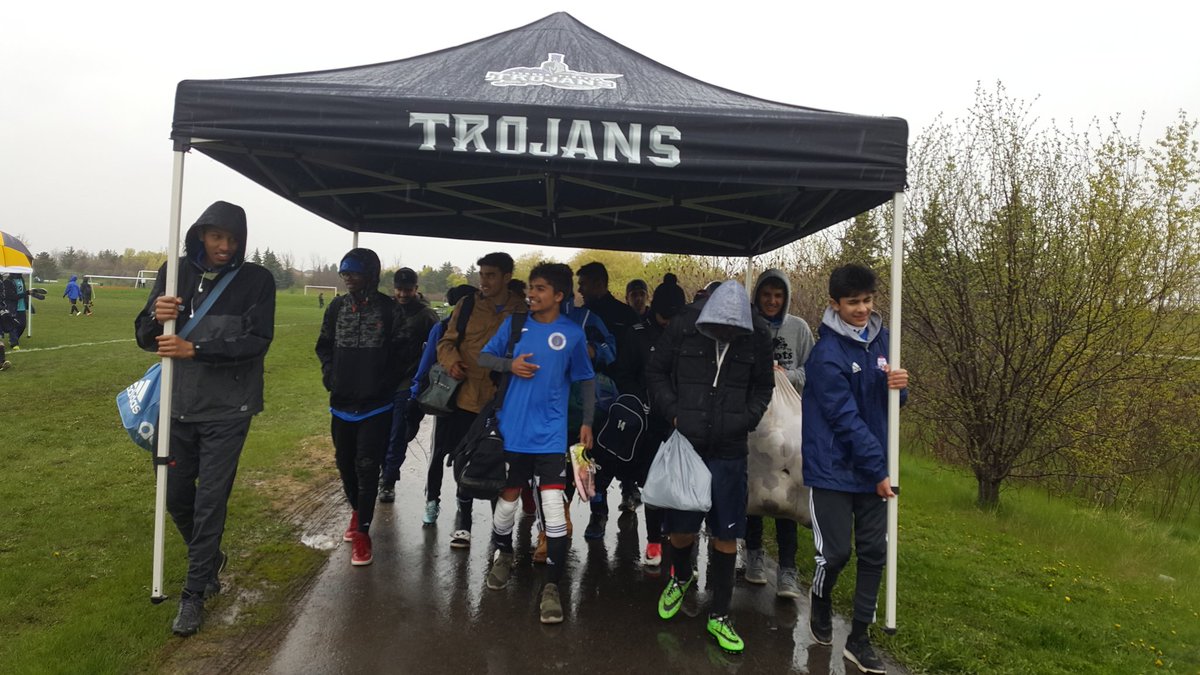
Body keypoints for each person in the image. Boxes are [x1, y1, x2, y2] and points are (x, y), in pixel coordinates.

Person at [134, 200, 276, 637]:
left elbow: (257, 340)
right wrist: (157, 318)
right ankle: (211, 558)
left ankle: (194, 592)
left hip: (229, 411)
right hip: (177, 407)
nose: (224, 246)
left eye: (232, 239)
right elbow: (145, 337)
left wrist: (196, 349)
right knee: (176, 496)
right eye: (217, 236)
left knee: (210, 502)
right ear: (200, 234)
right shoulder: (173, 272)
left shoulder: (257, 280)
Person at [647, 279, 774, 654]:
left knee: (726, 532)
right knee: (681, 528)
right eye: (720, 326)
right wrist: (674, 413)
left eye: (735, 328)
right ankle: (681, 576)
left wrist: (746, 419)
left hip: (730, 449)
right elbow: (655, 371)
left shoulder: (757, 334)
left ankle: (719, 614)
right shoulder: (684, 325)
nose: (727, 333)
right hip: (688, 444)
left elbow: (764, 386)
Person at [802, 263, 907, 674]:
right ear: (835, 304)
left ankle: (859, 638)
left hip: (874, 467)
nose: (862, 309)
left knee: (874, 551)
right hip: (833, 467)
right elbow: (845, 419)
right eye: (852, 303)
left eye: (867, 300)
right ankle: (820, 599)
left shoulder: (885, 340)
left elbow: (889, 406)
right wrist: (879, 470)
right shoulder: (825, 355)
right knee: (835, 554)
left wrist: (898, 387)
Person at [478, 262, 595, 624]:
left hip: (550, 437)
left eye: (540, 288)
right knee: (508, 502)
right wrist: (509, 365)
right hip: (512, 433)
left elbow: (586, 379)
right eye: (530, 287)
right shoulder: (515, 325)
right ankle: (504, 555)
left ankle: (552, 587)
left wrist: (588, 422)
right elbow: (483, 357)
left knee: (554, 509)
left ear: (559, 295)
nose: (531, 293)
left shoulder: (572, 334)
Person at [315, 249, 404, 567]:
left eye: (354, 272)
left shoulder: (390, 309)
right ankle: (357, 511)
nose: (348, 278)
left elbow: (403, 351)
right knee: (345, 464)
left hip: (376, 406)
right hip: (341, 403)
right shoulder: (336, 307)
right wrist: (330, 374)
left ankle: (363, 533)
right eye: (345, 273)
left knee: (367, 467)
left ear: (370, 274)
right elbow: (324, 345)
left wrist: (384, 381)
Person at [436, 252, 526, 548]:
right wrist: (451, 361)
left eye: (490, 275)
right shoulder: (467, 305)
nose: (483, 281)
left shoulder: (523, 310)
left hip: (504, 401)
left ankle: (500, 531)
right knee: (462, 459)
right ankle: (463, 522)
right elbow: (446, 342)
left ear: (506, 277)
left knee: (499, 463)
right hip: (466, 397)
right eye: (482, 274)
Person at [743, 269, 815, 598]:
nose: (772, 301)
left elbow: (812, 369)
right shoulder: (746, 326)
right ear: (757, 296)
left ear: (785, 298)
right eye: (766, 294)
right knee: (754, 490)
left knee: (788, 492)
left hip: (789, 426)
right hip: (756, 422)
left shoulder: (798, 329)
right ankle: (754, 555)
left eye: (778, 295)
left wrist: (787, 376)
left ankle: (788, 569)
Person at [575, 261, 646, 537]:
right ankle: (597, 512)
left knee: (617, 452)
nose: (580, 289)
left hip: (619, 398)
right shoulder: (578, 315)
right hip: (582, 398)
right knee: (585, 454)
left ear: (598, 283)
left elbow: (639, 356)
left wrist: (633, 393)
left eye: (583, 284)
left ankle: (629, 489)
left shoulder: (625, 314)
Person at [631, 273, 688, 567]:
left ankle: (677, 541)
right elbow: (627, 374)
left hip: (683, 420)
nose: (667, 323)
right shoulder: (639, 333)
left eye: (672, 318)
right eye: (663, 317)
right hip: (649, 419)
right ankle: (653, 539)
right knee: (653, 481)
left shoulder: (691, 333)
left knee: (681, 483)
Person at [412, 284, 476, 525]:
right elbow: (428, 360)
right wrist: (416, 390)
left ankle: (455, 498)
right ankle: (437, 501)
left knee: (456, 453)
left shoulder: (477, 330)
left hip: (464, 402)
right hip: (448, 402)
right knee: (445, 453)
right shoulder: (441, 328)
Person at [378, 268, 439, 503]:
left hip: (408, 383)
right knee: (380, 432)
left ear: (416, 289)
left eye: (408, 290)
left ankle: (389, 480)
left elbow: (437, 348)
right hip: (382, 382)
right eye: (399, 289)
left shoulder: (426, 316)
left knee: (398, 434)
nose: (403, 294)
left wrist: (423, 381)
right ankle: (382, 471)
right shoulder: (386, 309)